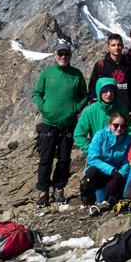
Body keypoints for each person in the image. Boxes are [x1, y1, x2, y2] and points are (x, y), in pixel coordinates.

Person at [31, 42, 87, 207]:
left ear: (70, 56)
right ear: (55, 55)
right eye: (60, 54)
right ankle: (43, 192)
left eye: (66, 54)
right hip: (49, 123)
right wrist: (44, 108)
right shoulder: (47, 74)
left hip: (69, 123)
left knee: (64, 159)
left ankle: (58, 189)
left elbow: (84, 95)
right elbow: (37, 93)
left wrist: (76, 108)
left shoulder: (76, 75)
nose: (63, 57)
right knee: (45, 159)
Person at [80, 111, 131, 214]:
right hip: (102, 172)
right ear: (109, 124)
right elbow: (92, 158)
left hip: (117, 175)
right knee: (90, 174)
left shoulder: (128, 139)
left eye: (122, 126)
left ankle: (112, 199)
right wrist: (112, 171)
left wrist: (119, 175)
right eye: (116, 125)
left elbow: (128, 160)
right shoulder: (100, 135)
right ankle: (88, 202)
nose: (119, 129)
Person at [74, 77, 131, 155]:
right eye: (105, 91)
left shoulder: (122, 109)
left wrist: (124, 146)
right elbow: (79, 135)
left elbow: (130, 129)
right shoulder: (90, 111)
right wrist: (91, 150)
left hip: (119, 154)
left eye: (112, 91)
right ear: (99, 92)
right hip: (98, 154)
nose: (109, 94)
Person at [87, 34, 131, 110]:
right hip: (106, 110)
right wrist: (94, 104)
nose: (116, 47)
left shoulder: (129, 64)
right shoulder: (100, 65)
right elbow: (93, 88)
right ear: (108, 47)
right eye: (113, 45)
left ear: (122, 46)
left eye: (119, 45)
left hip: (126, 110)